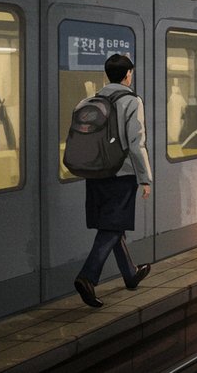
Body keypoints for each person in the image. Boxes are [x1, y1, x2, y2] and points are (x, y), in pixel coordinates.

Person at [74, 55, 153, 308]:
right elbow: (136, 143)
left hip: (95, 172)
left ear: (107, 75)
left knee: (113, 223)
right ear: (128, 74)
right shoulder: (132, 101)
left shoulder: (88, 101)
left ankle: (131, 273)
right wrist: (145, 178)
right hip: (121, 173)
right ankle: (87, 277)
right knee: (112, 226)